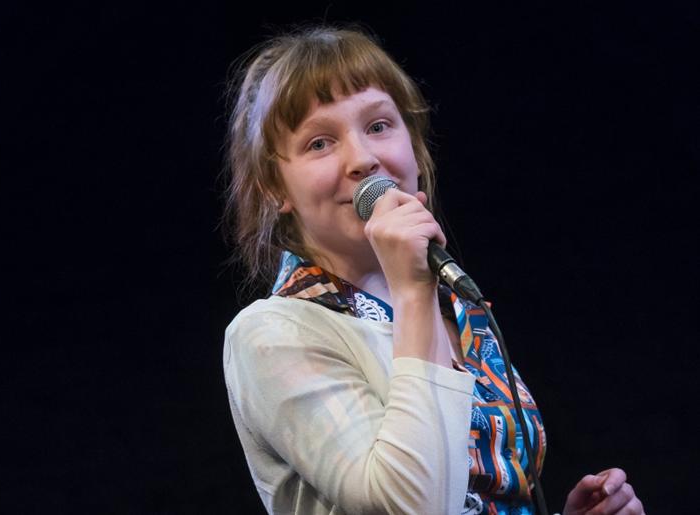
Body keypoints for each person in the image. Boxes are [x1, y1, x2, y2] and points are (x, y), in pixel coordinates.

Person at [221, 25, 644, 515]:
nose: (364, 159)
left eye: (379, 126)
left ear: (414, 150)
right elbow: (410, 506)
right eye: (319, 143)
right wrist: (413, 290)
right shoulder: (272, 333)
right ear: (274, 188)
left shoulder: (457, 305)